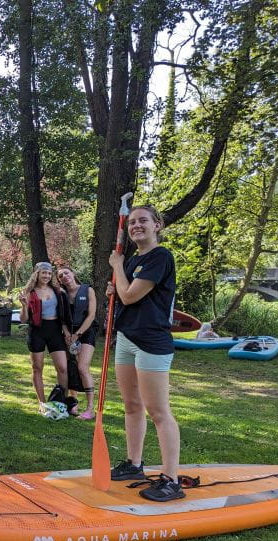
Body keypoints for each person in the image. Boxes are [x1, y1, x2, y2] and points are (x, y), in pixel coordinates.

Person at [108, 205, 184, 502]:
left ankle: (171, 480)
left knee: (158, 411)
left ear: (157, 225)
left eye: (143, 221)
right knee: (131, 405)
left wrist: (117, 267)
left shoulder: (160, 256)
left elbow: (129, 294)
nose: (136, 225)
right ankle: (135, 464)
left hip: (151, 340)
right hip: (126, 337)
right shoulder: (134, 260)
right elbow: (123, 295)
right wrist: (113, 288)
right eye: (132, 222)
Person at [18, 261, 69, 415]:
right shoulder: (29, 292)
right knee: (37, 367)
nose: (46, 276)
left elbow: (65, 313)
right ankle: (42, 402)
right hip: (37, 331)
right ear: (37, 274)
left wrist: (67, 331)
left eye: (48, 273)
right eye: (43, 273)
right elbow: (23, 319)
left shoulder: (57, 291)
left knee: (62, 367)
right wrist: (24, 305)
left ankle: (62, 401)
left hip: (54, 330)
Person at [56, 265, 98, 419]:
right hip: (69, 334)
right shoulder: (61, 295)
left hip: (86, 332)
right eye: (60, 276)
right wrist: (67, 334)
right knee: (71, 367)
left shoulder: (88, 290)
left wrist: (78, 334)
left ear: (72, 273)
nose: (64, 276)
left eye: (66, 273)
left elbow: (91, 315)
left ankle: (90, 408)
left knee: (82, 367)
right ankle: (73, 403)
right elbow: (61, 318)